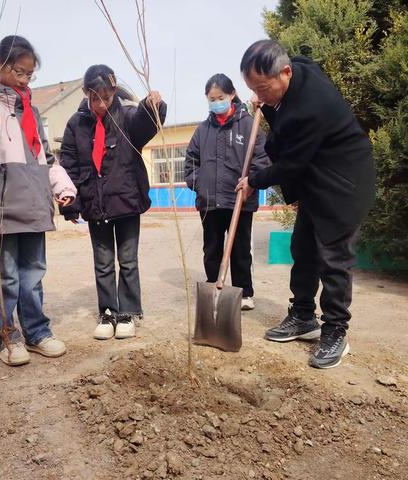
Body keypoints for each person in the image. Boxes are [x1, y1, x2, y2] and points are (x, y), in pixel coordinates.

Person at [236, 40, 376, 369]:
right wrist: (267, 102)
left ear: (285, 73)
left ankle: (335, 331)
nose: (259, 94)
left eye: (262, 87)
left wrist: (253, 181)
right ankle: (302, 316)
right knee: (303, 249)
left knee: (333, 260)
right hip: (319, 181)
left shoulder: (311, 107)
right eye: (253, 88)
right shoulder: (298, 68)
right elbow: (290, 141)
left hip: (344, 187)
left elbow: (289, 163)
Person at [0, 36, 77, 366]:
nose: (24, 80)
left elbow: (45, 158)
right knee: (3, 275)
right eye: (19, 72)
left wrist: (62, 188)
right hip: (0, 209)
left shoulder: (30, 111)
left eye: (29, 74)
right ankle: (7, 336)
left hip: (33, 205)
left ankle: (36, 332)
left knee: (33, 273)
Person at [59, 64, 167, 340]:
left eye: (105, 98)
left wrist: (154, 106)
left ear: (114, 91)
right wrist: (69, 203)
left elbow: (147, 124)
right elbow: (69, 164)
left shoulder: (128, 116)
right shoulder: (75, 124)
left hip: (127, 202)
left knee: (128, 260)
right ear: (86, 93)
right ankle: (108, 312)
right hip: (95, 205)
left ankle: (128, 312)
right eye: (94, 98)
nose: (100, 104)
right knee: (103, 262)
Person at [185, 73, 270, 310]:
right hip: (210, 201)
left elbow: (261, 160)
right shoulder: (202, 130)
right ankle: (214, 285)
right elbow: (190, 161)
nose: (216, 103)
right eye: (211, 99)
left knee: (241, 249)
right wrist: (198, 184)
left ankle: (244, 293)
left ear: (231, 95)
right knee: (211, 249)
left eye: (220, 97)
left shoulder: (249, 125)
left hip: (240, 200)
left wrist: (252, 182)